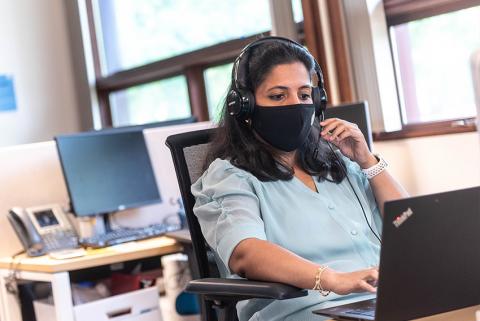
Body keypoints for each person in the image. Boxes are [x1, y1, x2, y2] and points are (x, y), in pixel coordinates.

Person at [191, 36, 408, 321]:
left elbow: (408, 223)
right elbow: (246, 253)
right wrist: (332, 279)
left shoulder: (338, 163)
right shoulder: (230, 178)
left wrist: (367, 160)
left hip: (385, 305)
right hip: (306, 312)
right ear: (244, 106)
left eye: (304, 95)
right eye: (278, 96)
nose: (295, 106)